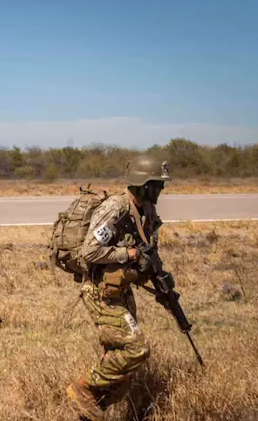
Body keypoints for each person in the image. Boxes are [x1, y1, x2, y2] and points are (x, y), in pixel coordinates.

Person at [66, 155, 171, 420]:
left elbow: (148, 250)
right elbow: (90, 251)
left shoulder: (146, 209)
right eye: (157, 184)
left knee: (124, 370)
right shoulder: (115, 208)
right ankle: (83, 388)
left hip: (120, 290)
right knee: (137, 350)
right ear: (143, 184)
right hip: (100, 292)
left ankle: (93, 410)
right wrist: (130, 255)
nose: (162, 190)